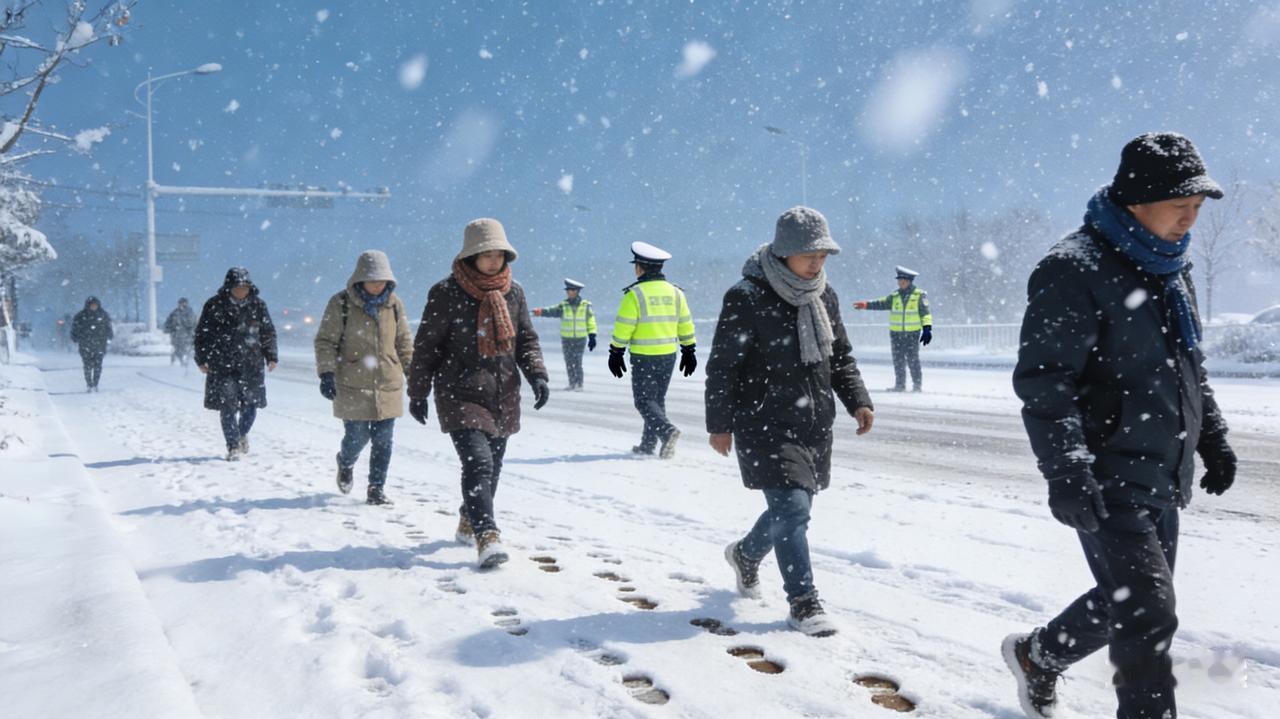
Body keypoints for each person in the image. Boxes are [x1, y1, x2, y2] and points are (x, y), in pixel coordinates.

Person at [1005, 132, 1237, 719]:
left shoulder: (1169, 268)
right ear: (1137, 200)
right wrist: (1068, 469)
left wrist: (1212, 437)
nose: (1191, 218)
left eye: (1199, 207)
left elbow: (1188, 365)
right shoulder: (1073, 269)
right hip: (1106, 473)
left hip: (1161, 467)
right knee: (1148, 615)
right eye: (1180, 204)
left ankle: (1039, 657)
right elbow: (1045, 382)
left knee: (1130, 603)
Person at [706, 207, 874, 637]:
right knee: (792, 509)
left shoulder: (824, 295)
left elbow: (839, 356)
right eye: (808, 254)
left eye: (823, 253)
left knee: (791, 512)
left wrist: (857, 399)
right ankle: (803, 602)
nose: (817, 262)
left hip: (814, 420)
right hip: (764, 420)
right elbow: (723, 366)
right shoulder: (746, 296)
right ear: (783, 253)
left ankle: (746, 555)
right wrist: (719, 423)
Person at [407, 218, 549, 568]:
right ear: (471, 255)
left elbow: (525, 339)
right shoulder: (445, 292)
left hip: (502, 393)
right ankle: (487, 535)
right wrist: (418, 391)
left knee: (493, 466)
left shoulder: (513, 292)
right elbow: (427, 345)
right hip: (459, 391)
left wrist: (537, 375)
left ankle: (469, 517)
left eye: (498, 254)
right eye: (485, 254)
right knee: (479, 462)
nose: (492, 260)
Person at [314, 250, 413, 506]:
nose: (378, 284)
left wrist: (413, 373)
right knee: (357, 436)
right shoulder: (341, 303)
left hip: (388, 382)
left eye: (382, 279)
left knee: (384, 440)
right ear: (360, 279)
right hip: (352, 381)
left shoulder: (394, 304)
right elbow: (326, 341)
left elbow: (403, 341)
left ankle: (376, 489)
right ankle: (345, 461)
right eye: (373, 279)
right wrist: (326, 373)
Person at [607, 241, 696, 458]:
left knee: (644, 401)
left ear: (639, 267)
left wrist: (616, 352)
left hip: (644, 357)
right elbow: (685, 323)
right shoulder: (676, 293)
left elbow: (624, 326)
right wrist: (688, 350)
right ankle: (648, 445)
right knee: (657, 400)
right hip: (668, 355)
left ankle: (667, 432)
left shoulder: (634, 294)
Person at [194, 267, 278, 462]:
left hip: (251, 363)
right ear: (229, 287)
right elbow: (202, 334)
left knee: (250, 405)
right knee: (228, 405)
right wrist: (201, 358)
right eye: (238, 287)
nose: (242, 290)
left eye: (245, 287)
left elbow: (267, 332)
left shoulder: (258, 305)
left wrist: (271, 355)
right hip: (222, 363)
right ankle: (232, 445)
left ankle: (242, 434)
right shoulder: (214, 306)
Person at [852, 266, 933, 392]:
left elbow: (925, 313)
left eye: (903, 280)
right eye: (899, 280)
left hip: (912, 333)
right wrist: (866, 305)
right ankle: (900, 385)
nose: (900, 282)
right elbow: (881, 303)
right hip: (896, 334)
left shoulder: (919, 295)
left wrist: (927, 329)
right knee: (898, 360)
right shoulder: (894, 296)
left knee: (913, 360)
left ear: (909, 281)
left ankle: (917, 386)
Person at [532, 278, 597, 391]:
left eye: (570, 290)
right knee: (569, 362)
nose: (567, 292)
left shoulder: (585, 306)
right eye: (567, 290)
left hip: (580, 339)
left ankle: (579, 384)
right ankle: (572, 383)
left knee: (577, 361)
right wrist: (540, 311)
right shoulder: (564, 305)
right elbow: (552, 311)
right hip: (567, 339)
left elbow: (591, 321)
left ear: (576, 291)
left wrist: (592, 335)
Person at [70, 296, 112, 392]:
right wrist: (75, 337)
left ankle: (95, 383)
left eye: (95, 305)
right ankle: (89, 384)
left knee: (98, 365)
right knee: (87, 365)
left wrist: (108, 336)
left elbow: (108, 328)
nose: (93, 307)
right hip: (85, 345)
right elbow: (75, 329)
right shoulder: (81, 316)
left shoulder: (103, 315)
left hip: (99, 344)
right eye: (92, 305)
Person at [163, 297, 197, 367]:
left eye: (184, 303)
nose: (182, 304)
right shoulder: (174, 313)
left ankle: (188, 361)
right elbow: (167, 324)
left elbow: (193, 323)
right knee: (178, 349)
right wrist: (171, 329)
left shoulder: (190, 312)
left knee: (189, 349)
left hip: (188, 336)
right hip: (176, 336)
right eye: (181, 303)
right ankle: (180, 361)